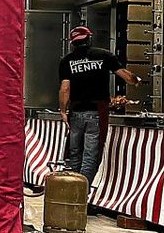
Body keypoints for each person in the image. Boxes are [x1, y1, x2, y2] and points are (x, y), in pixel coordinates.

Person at [59, 26, 141, 189]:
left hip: (76, 113)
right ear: (89, 39)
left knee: (75, 153)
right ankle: (82, 192)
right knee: (91, 154)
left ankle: (73, 189)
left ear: (73, 43)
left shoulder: (67, 61)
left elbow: (65, 88)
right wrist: (136, 80)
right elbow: (126, 76)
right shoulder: (104, 56)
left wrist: (63, 111)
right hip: (96, 113)